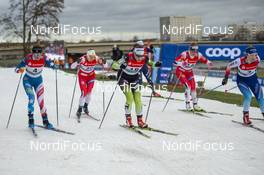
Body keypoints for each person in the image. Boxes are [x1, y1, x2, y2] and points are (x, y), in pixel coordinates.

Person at [15, 45, 58, 129]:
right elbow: (16, 68)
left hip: (38, 81)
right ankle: (31, 120)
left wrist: (54, 66)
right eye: (36, 55)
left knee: (41, 102)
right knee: (32, 98)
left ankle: (45, 121)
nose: (38, 56)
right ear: (32, 53)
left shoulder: (44, 58)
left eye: (40, 54)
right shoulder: (28, 58)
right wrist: (19, 70)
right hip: (27, 80)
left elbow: (51, 63)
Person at [118, 44, 161, 128]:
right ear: (134, 53)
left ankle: (140, 121)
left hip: (134, 79)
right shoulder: (127, 57)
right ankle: (128, 120)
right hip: (123, 79)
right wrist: (121, 66)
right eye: (138, 56)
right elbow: (114, 65)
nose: (139, 58)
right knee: (130, 97)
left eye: (141, 56)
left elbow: (150, 63)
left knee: (138, 99)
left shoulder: (144, 58)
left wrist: (156, 64)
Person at [222, 46, 264, 125]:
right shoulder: (239, 61)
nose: (255, 56)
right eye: (253, 55)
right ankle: (245, 117)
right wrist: (226, 78)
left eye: (256, 54)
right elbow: (229, 66)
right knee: (248, 96)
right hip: (242, 81)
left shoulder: (257, 59)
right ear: (248, 55)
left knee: (260, 97)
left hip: (253, 79)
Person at [174, 42, 212, 111]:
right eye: (193, 50)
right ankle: (187, 104)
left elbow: (205, 60)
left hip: (189, 72)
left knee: (193, 87)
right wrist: (182, 63)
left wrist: (209, 63)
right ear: (190, 49)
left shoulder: (198, 55)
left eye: (196, 50)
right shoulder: (184, 54)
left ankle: (195, 105)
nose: (194, 52)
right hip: (181, 71)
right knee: (188, 87)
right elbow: (174, 62)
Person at [71, 49, 105, 119]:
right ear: (87, 56)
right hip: (82, 77)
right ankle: (79, 109)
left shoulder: (96, 58)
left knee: (89, 93)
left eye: (93, 56)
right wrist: (77, 62)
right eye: (90, 57)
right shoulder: (83, 59)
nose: (92, 58)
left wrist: (104, 62)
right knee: (84, 93)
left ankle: (85, 106)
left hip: (91, 76)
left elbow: (106, 65)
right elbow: (72, 66)